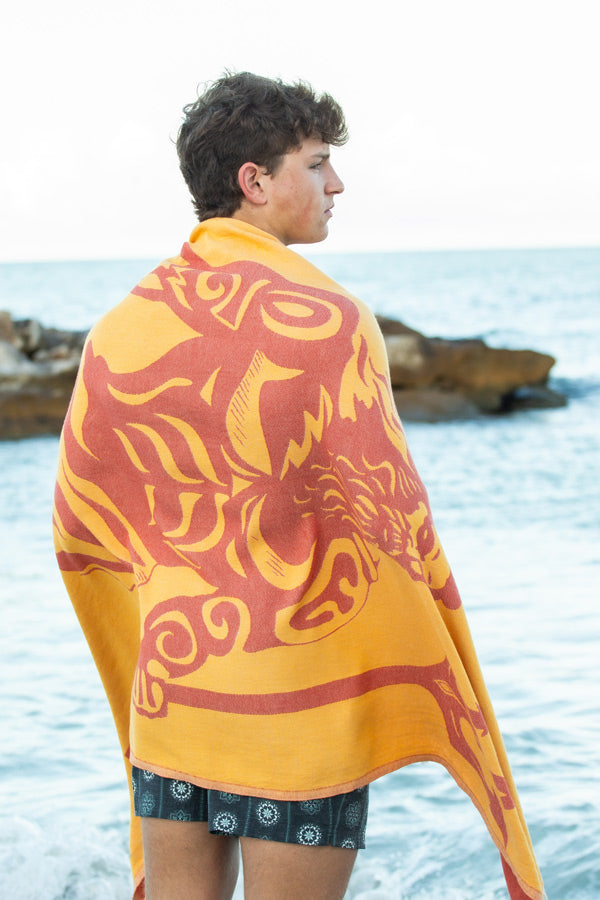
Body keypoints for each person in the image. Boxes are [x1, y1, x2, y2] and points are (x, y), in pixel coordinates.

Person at [53, 73, 545, 900]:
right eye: (317, 164)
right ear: (256, 181)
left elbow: (82, 524)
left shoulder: (122, 327)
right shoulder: (330, 320)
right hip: (299, 712)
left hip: (175, 697)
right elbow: (391, 522)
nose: (336, 184)